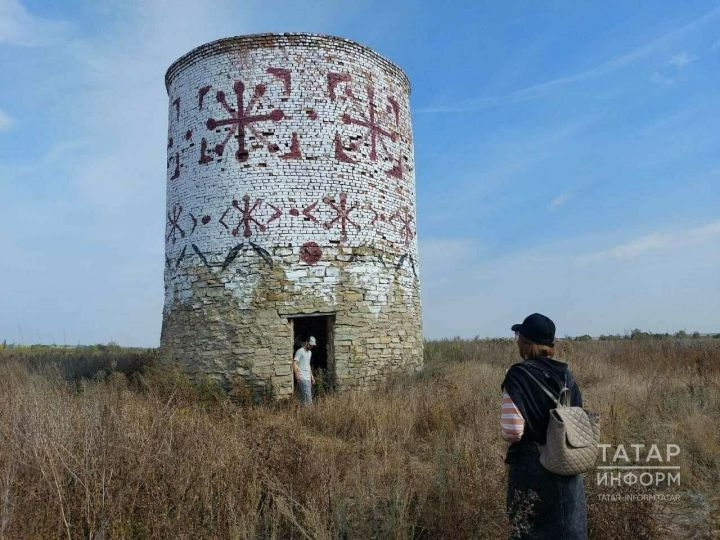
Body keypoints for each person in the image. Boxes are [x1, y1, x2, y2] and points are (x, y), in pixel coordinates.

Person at [500, 313, 588, 539]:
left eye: (518, 335)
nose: (516, 340)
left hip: (532, 468)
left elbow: (513, 431)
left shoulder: (517, 375)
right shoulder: (566, 375)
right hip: (568, 462)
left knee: (529, 531)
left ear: (527, 343)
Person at [292, 336, 316, 405]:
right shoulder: (300, 351)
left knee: (303, 399)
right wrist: (297, 375)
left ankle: (301, 413)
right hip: (302, 377)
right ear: (306, 342)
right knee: (308, 399)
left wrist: (312, 377)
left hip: (308, 377)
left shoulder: (310, 353)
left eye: (312, 345)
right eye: (310, 345)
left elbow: (308, 365)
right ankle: (311, 414)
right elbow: (294, 363)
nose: (311, 346)